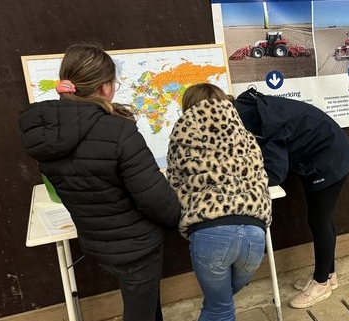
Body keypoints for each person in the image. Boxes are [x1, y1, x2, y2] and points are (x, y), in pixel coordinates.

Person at [19, 43, 181, 321]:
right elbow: (158, 202)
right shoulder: (119, 132)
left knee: (144, 303)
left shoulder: (46, 134)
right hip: (136, 247)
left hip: (98, 244)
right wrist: (178, 216)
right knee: (140, 312)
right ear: (105, 88)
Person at [233, 88, 349, 309]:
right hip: (324, 152)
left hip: (330, 157)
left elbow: (275, 173)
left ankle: (321, 282)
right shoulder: (245, 108)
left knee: (319, 220)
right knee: (322, 219)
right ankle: (328, 275)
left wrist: (244, 178)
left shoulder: (261, 124)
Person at [166, 83, 272, 321]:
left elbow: (172, 184)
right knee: (218, 305)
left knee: (220, 309)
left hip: (210, 233)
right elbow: (261, 177)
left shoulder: (183, 134)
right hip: (255, 233)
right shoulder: (246, 135)